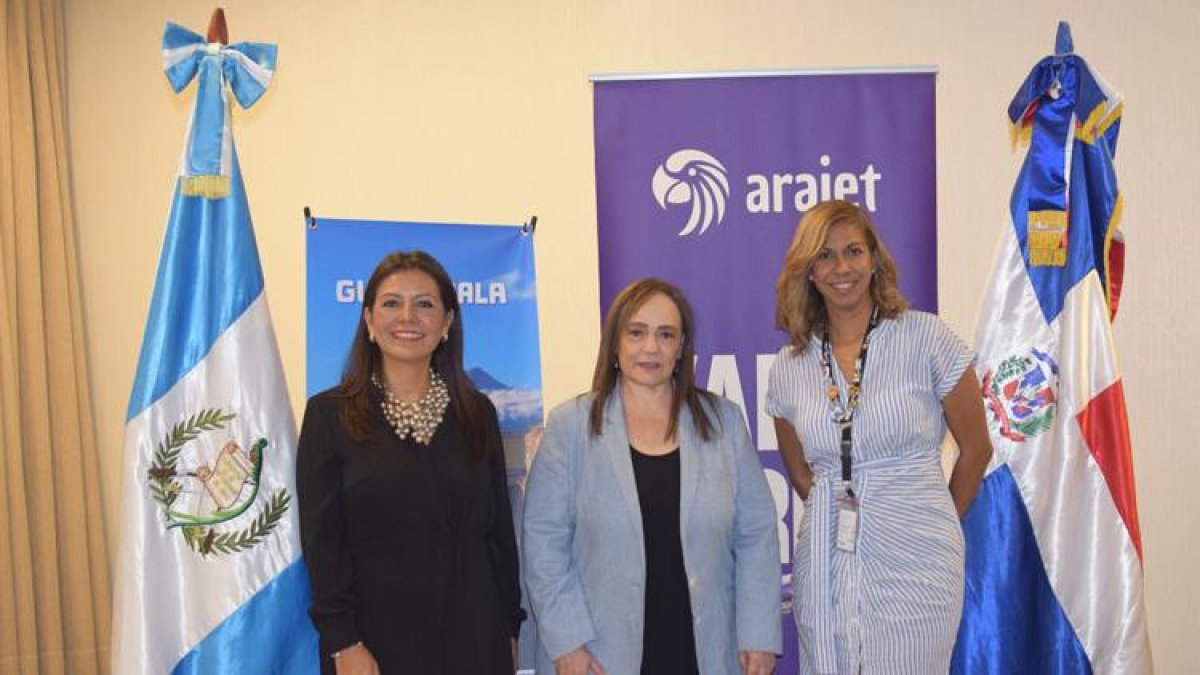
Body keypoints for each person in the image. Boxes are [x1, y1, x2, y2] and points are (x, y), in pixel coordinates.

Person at [766, 200, 993, 674]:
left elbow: (976, 450)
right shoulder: (789, 368)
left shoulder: (928, 338)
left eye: (853, 251)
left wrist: (929, 520)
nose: (841, 267)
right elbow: (803, 475)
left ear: (874, 259)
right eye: (824, 256)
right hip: (826, 563)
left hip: (919, 563)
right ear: (808, 271)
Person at [523, 278, 781, 675]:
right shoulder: (570, 427)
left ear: (681, 349)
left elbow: (756, 535)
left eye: (666, 335)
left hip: (706, 649)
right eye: (637, 333)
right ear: (615, 343)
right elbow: (544, 544)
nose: (651, 348)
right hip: (597, 654)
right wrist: (567, 641)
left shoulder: (723, 422)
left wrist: (759, 634)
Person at [297, 251, 524, 675]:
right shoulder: (329, 416)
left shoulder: (478, 414)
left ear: (447, 323)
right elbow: (322, 544)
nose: (408, 316)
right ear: (368, 321)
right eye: (391, 303)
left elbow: (499, 538)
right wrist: (342, 640)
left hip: (475, 637)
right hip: (371, 645)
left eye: (424, 304)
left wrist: (509, 628)